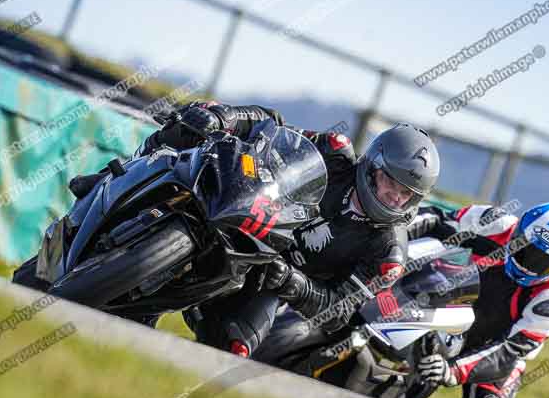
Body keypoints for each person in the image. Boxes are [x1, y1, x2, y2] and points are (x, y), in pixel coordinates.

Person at [125, 100, 441, 364]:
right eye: (392, 183)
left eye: (407, 193)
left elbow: (338, 311)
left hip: (267, 280)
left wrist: (293, 283)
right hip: (241, 220)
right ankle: (118, 177)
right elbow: (273, 129)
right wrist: (228, 117)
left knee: (235, 352)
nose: (395, 197)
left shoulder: (388, 253)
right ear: (373, 165)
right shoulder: (334, 152)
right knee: (195, 127)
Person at [406, 202, 549, 398]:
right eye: (524, 249)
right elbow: (435, 219)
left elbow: (510, 349)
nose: (528, 265)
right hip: (446, 308)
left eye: (542, 262)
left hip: (497, 349)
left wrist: (454, 371)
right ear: (517, 231)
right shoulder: (493, 221)